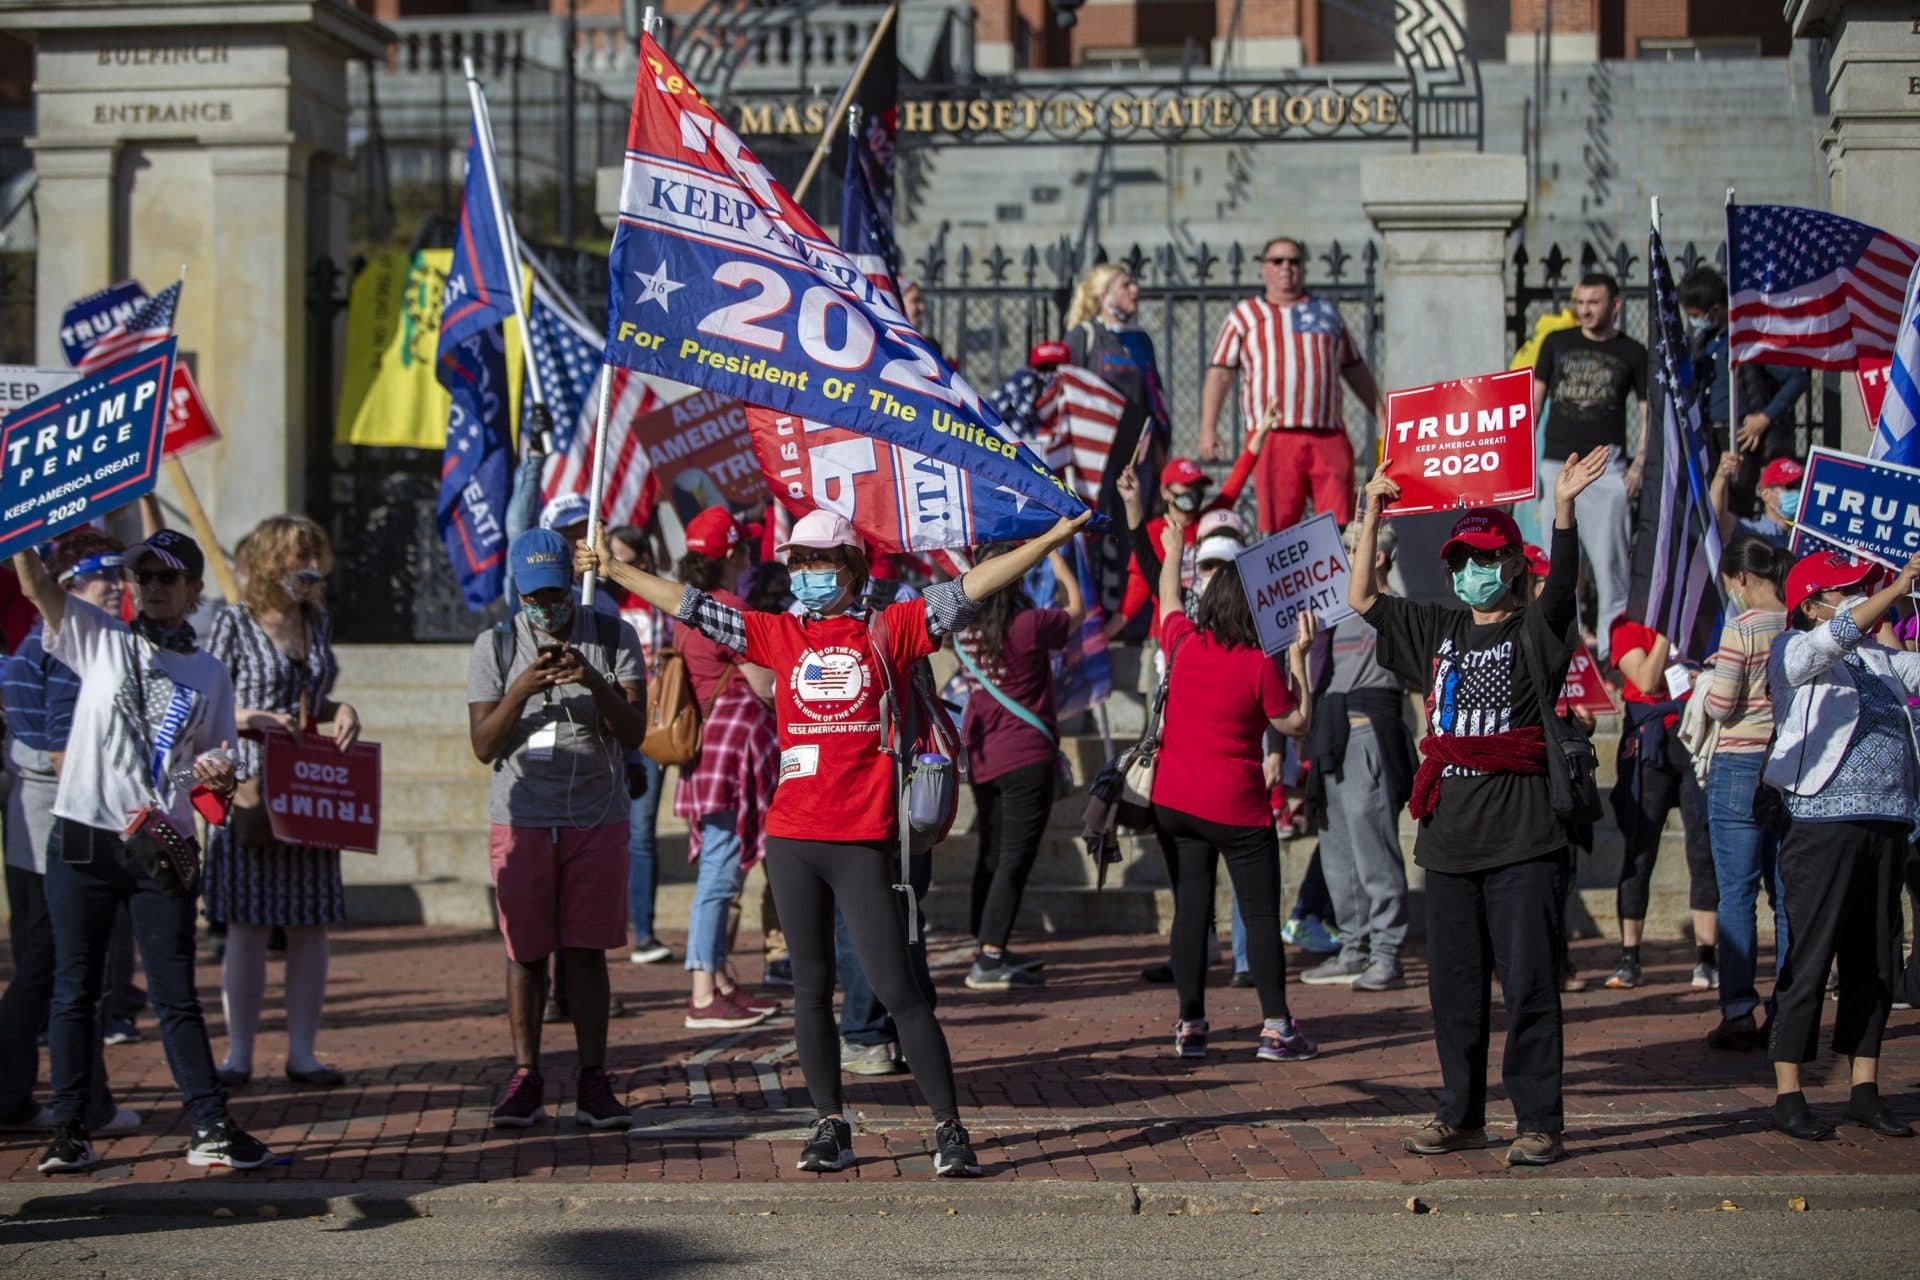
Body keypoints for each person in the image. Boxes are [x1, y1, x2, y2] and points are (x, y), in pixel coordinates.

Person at [579, 506, 1092, 1177]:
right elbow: (692, 604)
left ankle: (949, 1129)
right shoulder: (776, 634)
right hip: (792, 840)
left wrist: (1050, 540)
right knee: (810, 991)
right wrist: (614, 569)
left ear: (850, 567)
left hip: (863, 842)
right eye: (798, 562)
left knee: (896, 988)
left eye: (820, 561)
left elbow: (973, 588)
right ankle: (830, 1126)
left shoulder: (893, 625)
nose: (807, 573)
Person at [1349, 447, 1612, 1168]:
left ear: (1512, 566)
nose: (1472, 570)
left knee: (1529, 987)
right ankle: (1460, 1115)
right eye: (1462, 558)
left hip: (1526, 840)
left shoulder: (1537, 628)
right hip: (1449, 842)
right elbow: (1363, 600)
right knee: (1455, 995)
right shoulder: (1438, 630)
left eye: (1487, 557)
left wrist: (1561, 509)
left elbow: (1563, 592)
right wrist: (1373, 508)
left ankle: (1538, 1121)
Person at [12, 529, 267, 1174]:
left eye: (166, 577)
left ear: (192, 590)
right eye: (142, 576)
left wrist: (214, 773)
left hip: (162, 844)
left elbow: (216, 757)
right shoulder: (99, 636)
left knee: (175, 992)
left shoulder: (209, 671)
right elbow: (36, 586)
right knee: (75, 990)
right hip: (81, 836)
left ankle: (209, 1125)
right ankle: (70, 1129)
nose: (152, 587)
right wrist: (21, 526)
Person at [466, 528, 648, 1132]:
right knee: (525, 952)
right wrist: (524, 686)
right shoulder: (494, 645)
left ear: (574, 584)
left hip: (596, 814)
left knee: (586, 951)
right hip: (521, 818)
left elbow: (633, 732)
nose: (547, 608)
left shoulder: (615, 635)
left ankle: (592, 1079)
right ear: (518, 594)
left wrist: (590, 679)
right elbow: (483, 743)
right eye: (534, 598)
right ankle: (526, 1075)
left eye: (555, 594)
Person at [1761, 549, 1920, 1141]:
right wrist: (1898, 584)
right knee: (1811, 957)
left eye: (1864, 589)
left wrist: (1909, 600)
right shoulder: (1795, 651)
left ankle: (1864, 1089)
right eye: (1847, 590)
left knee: (1876, 962)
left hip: (1887, 821)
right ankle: (1788, 1092)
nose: (1860, 598)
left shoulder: (1882, 658)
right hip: (1821, 827)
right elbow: (1837, 638)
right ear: (1812, 604)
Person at [202, 516, 361, 1089]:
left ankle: (303, 1052)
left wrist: (339, 710)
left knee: (311, 920)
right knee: (246, 919)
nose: (309, 568)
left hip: (309, 782)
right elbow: (205, 700)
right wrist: (251, 719)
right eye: (298, 556)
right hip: (248, 781)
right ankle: (238, 1054)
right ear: (272, 561)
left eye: (314, 555)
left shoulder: (317, 622)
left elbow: (313, 698)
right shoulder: (235, 624)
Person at [1151, 515, 1316, 1060]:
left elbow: (1169, 598)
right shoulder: (1257, 664)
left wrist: (1173, 549)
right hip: (1236, 806)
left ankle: (1191, 1023)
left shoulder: (1182, 643)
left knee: (1192, 911)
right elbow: (1296, 723)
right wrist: (1300, 661)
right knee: (1261, 914)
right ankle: (1275, 1026)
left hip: (1175, 800)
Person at [0, 534, 137, 1138]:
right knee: (61, 968)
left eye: (118, 574)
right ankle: (65, 1101)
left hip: (41, 817)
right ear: (68, 587)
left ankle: (60, 1098)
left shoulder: (58, 640)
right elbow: (62, 752)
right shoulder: (67, 650)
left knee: (55, 967)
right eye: (99, 575)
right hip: (57, 819)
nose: (115, 585)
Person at [953, 543, 1084, 991]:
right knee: (1013, 859)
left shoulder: (966, 628)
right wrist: (1057, 559)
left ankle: (984, 939)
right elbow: (1078, 609)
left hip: (984, 751)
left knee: (991, 851)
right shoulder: (1030, 625)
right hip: (1027, 754)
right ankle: (989, 957)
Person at [667, 507, 779, 1030]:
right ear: (732, 553)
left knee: (718, 864)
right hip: (734, 751)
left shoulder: (685, 611)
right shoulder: (730, 608)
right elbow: (764, 685)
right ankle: (702, 993)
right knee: (720, 870)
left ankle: (719, 980)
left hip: (705, 750)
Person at [1198, 235, 1385, 533]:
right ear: (1263, 268)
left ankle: (1337, 580)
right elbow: (1220, 372)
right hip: (1273, 436)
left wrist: (1383, 415)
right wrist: (1208, 429)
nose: (1286, 267)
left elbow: (1354, 368)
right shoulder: (1244, 316)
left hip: (1328, 434)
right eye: (1277, 260)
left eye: (1294, 261)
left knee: (1340, 524)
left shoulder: (1327, 313)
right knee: (1279, 526)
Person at [1299, 520, 1416, 993]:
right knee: (1338, 853)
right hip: (1331, 732)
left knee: (1373, 850)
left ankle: (1386, 952)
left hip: (1368, 733)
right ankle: (1353, 948)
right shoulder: (1329, 611)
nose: (1340, 559)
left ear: (1378, 558)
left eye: (1349, 550)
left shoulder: (1395, 611)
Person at [1700, 535, 1793, 1051]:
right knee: (1785, 894)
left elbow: (1719, 704)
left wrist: (1713, 673)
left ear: (1740, 579)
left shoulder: (1741, 627)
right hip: (1788, 763)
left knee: (1737, 891)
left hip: (1738, 763)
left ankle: (1738, 1009)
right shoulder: (1797, 622)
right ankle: (1786, 1007)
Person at [1530, 273, 1648, 660]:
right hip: (1557, 465)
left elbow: (1648, 414)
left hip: (1606, 467)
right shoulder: (1556, 342)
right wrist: (1527, 468)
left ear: (1615, 304)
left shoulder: (1632, 352)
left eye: (1593, 302)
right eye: (1579, 302)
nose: (1584, 310)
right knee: (1558, 564)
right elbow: (1532, 406)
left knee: (1611, 564)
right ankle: (1568, 649)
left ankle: (1616, 654)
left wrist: (1638, 466)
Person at [1604, 612, 1717, 991]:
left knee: (1702, 848)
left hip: (1693, 735)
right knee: (1639, 849)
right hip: (1649, 742)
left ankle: (1707, 958)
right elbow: (1648, 680)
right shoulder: (1627, 625)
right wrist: (1667, 632)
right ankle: (1629, 957)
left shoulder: (1702, 614)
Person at [1064, 263, 1172, 608]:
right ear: (1102, 293)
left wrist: (1158, 452)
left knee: (1133, 530)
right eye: (1126, 284)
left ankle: (1128, 616)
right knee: (1093, 531)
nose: (1135, 290)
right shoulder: (1083, 335)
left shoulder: (1140, 341)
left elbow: (1153, 397)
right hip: (1093, 459)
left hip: (1134, 457)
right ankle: (1091, 611)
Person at [1679, 266, 1808, 519]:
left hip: (1738, 435)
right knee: (1708, 503)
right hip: (1708, 432)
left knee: (1735, 505)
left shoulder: (1748, 339)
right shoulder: (1703, 342)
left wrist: (1764, 417)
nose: (1695, 321)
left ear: (1715, 309)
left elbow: (1796, 378)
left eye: (1696, 315)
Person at [1111, 439, 1264, 642]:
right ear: (1166, 492)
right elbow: (1138, 587)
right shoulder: (1155, 532)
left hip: (1207, 631)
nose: (1193, 494)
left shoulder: (1208, 524)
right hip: (1169, 634)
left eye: (1197, 487)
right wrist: (1108, 632)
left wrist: (1259, 436)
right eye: (1186, 487)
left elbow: (1235, 482)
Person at [606, 525, 675, 966]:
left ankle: (645, 933)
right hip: (610, 725)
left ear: (643, 563)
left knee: (641, 832)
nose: (614, 570)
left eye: (622, 561)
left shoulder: (660, 604)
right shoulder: (599, 602)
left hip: (652, 729)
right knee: (610, 834)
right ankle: (607, 928)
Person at [1711, 454, 1801, 550]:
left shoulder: (1807, 536)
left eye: (1801, 485)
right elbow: (1717, 520)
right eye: (1791, 486)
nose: (1799, 491)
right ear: (1766, 494)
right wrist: (1722, 475)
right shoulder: (1752, 533)